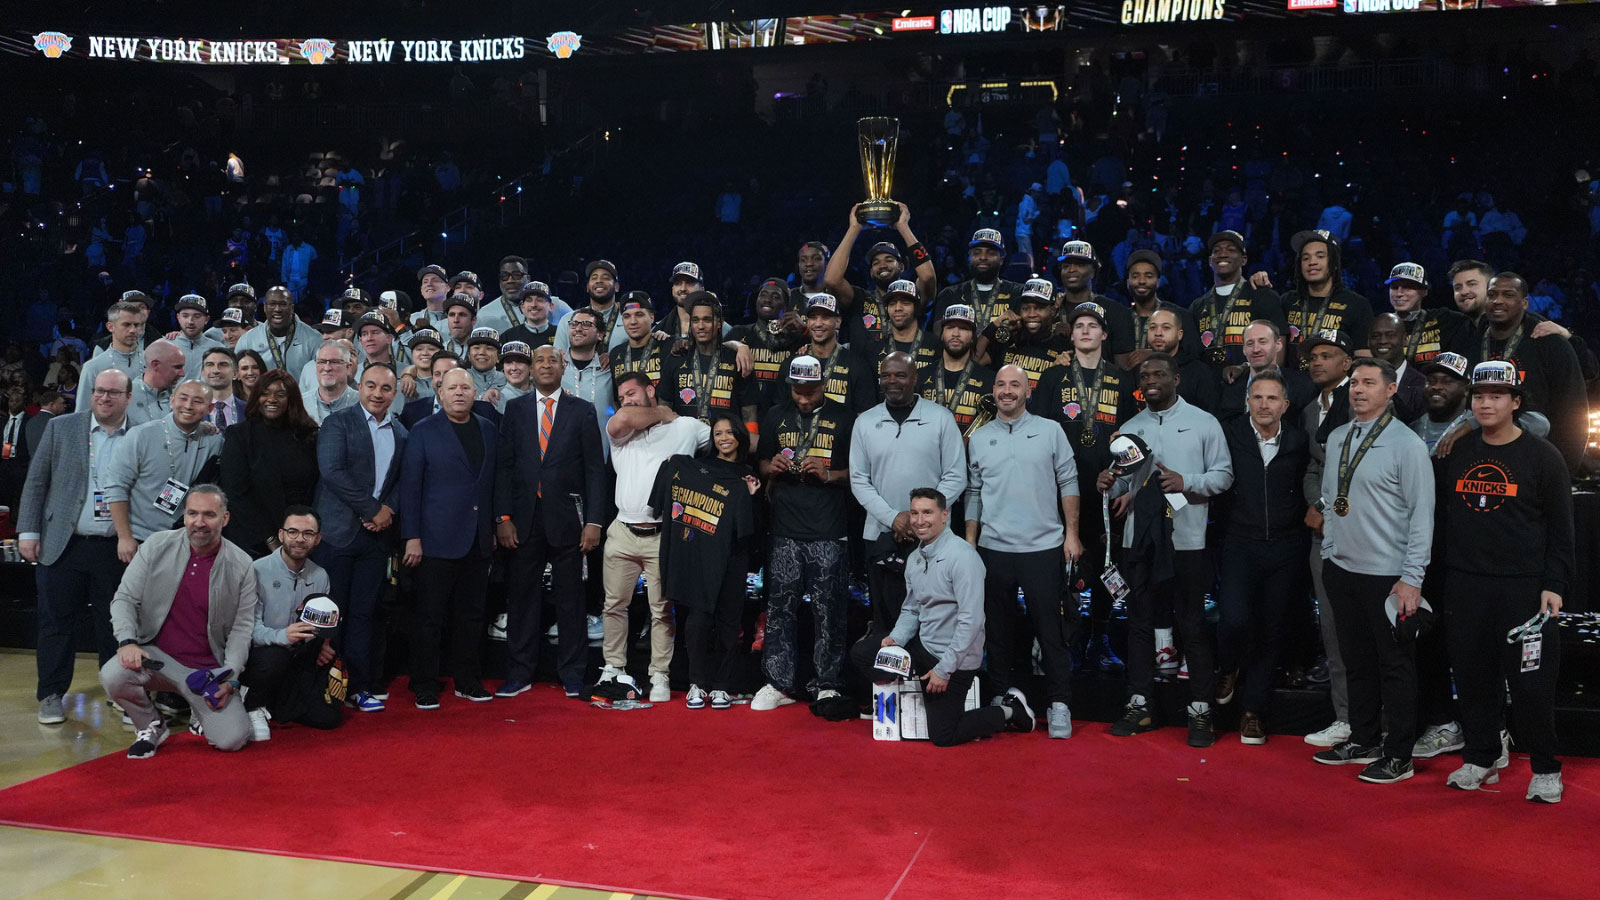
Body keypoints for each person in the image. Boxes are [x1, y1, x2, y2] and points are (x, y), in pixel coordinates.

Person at [1438, 362, 1572, 802]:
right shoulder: (1457, 450)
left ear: (1516, 403)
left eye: (1497, 396)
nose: (1486, 403)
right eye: (1479, 396)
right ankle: (1481, 758)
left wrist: (1554, 583)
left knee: (1532, 685)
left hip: (1524, 590)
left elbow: (1562, 529)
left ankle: (1546, 768)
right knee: (1474, 680)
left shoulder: (1543, 456)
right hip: (1465, 585)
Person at [1311, 358, 1434, 784]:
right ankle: (1363, 739)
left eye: (1368, 383)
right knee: (1356, 660)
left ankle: (1399, 754)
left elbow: (1422, 517)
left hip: (1389, 576)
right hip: (1342, 570)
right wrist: (1329, 554)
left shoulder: (1407, 444)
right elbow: (1330, 498)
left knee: (1395, 666)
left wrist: (1412, 578)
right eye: (1355, 382)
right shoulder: (1341, 436)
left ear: (1390, 390)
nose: (1358, 389)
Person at [1103, 354, 1232, 746]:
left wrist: (1185, 481)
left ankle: (1200, 709)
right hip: (1139, 541)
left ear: (1176, 378)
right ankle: (1140, 703)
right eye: (1145, 375)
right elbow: (1127, 485)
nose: (1152, 380)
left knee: (1192, 623)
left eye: (1159, 373)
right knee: (1140, 621)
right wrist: (1111, 483)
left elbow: (1223, 476)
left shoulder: (1203, 422)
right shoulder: (1129, 427)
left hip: (1187, 540)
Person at [966, 364, 1082, 739]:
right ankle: (1002, 700)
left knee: (1051, 632)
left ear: (1028, 391)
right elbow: (973, 493)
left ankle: (1060, 703)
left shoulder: (1051, 431)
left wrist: (1072, 535)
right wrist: (970, 541)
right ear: (993, 391)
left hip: (1044, 547)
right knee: (996, 632)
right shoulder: (980, 437)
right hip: (993, 549)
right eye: (1000, 384)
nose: (1007, 391)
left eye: (1015, 384)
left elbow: (1069, 481)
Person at [100, 485, 257, 758]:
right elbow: (124, 598)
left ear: (225, 518)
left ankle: (201, 713)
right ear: (184, 516)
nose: (199, 522)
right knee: (113, 674)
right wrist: (127, 641)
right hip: (155, 657)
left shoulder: (242, 564)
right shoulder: (156, 545)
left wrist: (230, 675)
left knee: (232, 740)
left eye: (209, 514)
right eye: (192, 513)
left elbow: (242, 628)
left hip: (205, 670)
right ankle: (151, 724)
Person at [19, 369, 133, 725]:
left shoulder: (143, 433)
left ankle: (120, 692)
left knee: (115, 624)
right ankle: (52, 694)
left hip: (115, 546)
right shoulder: (62, 427)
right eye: (99, 391)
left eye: (113, 393)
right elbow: (37, 481)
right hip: (62, 543)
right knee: (55, 622)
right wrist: (28, 531)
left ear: (128, 398)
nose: (104, 397)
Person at [877, 488, 1033, 746]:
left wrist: (943, 670)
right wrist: (895, 639)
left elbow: (971, 621)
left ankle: (1009, 711)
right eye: (914, 513)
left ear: (944, 516)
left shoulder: (963, 557)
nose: (919, 520)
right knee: (867, 653)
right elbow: (911, 610)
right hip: (926, 647)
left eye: (927, 512)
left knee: (943, 736)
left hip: (956, 659)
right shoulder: (915, 558)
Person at [494, 346, 607, 699]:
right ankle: (519, 672)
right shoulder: (514, 409)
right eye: (538, 361)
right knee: (522, 598)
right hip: (523, 521)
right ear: (530, 369)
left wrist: (594, 522)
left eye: (551, 361)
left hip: (569, 521)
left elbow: (594, 471)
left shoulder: (583, 410)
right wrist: (503, 518)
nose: (544, 366)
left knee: (571, 600)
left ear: (563, 368)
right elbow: (504, 468)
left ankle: (573, 674)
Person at [1031, 301, 1138, 672]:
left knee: (1107, 567)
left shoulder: (1123, 380)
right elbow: (1038, 434)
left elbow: (1134, 442)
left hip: (1107, 494)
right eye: (1080, 326)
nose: (1086, 331)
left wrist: (1125, 484)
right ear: (1071, 335)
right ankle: (1060, 641)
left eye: (1094, 325)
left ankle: (1099, 639)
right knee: (1063, 570)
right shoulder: (1051, 378)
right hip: (1061, 492)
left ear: (1105, 335)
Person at [597, 371, 711, 702]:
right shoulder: (621, 428)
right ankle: (613, 667)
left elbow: (724, 442)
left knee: (661, 610)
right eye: (621, 396)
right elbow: (625, 417)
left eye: (632, 393)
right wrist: (661, 412)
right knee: (614, 605)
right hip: (622, 531)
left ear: (651, 390)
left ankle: (659, 674)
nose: (626, 401)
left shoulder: (686, 428)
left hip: (665, 534)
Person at [753, 356, 855, 713]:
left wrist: (829, 474)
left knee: (830, 612)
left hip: (828, 529)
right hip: (783, 528)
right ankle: (778, 682)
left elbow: (859, 473)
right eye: (798, 392)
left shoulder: (844, 418)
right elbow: (762, 462)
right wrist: (773, 468)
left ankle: (827, 683)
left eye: (811, 392)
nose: (805, 399)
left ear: (824, 384)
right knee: (780, 608)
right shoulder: (775, 415)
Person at [1214, 370, 1310, 745]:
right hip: (1239, 541)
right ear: (1247, 402)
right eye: (1258, 398)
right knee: (1234, 618)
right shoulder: (1230, 435)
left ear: (1285, 405)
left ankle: (1252, 711)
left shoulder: (1301, 441)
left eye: (1272, 399)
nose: (1264, 405)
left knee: (1271, 630)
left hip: (1287, 547)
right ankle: (1227, 667)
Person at [400, 368, 498, 709]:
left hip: (478, 539)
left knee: (472, 616)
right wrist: (411, 536)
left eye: (466, 387)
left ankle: (468, 680)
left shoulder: (488, 429)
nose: (459, 393)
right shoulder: (423, 431)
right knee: (429, 617)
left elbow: (491, 484)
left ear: (475, 392)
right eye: (452, 387)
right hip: (434, 539)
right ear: (440, 393)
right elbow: (410, 488)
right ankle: (425, 683)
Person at [312, 363, 406, 712]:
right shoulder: (338, 422)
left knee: (365, 615)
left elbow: (401, 482)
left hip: (376, 539)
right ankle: (322, 688)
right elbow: (332, 471)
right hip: (337, 534)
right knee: (331, 615)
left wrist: (387, 512)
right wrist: (371, 509)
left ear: (394, 394)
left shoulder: (401, 432)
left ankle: (359, 686)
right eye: (371, 386)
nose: (377, 394)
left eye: (385, 388)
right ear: (359, 386)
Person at [850, 353, 967, 631]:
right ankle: (888, 675)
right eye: (886, 375)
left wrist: (920, 518)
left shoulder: (940, 418)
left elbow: (956, 475)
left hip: (932, 537)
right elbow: (858, 479)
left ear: (915, 378)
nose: (892, 381)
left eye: (900, 375)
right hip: (880, 533)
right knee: (886, 620)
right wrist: (894, 518)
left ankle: (927, 673)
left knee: (933, 618)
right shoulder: (865, 422)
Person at [651, 416, 759, 709]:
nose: (724, 438)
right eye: (718, 433)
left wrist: (751, 495)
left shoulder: (747, 475)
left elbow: (751, 529)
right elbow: (659, 503)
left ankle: (722, 686)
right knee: (697, 622)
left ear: (739, 436)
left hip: (733, 558)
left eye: (729, 432)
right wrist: (672, 463)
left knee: (729, 622)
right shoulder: (692, 466)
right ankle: (696, 683)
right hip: (698, 557)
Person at [1456, 273, 1587, 474]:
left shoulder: (1550, 344)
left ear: (1524, 303)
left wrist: (1565, 467)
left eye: (1508, 295)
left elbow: (1572, 409)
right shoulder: (1470, 344)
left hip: (1533, 463)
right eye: (1492, 295)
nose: (1498, 301)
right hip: (1478, 458)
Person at [1300, 329, 1355, 747]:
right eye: (1313, 356)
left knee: (1369, 630)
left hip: (1364, 531)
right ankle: (1345, 716)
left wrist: (1329, 505)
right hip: (1324, 535)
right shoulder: (1306, 411)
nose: (1318, 362)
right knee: (1333, 627)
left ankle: (1385, 719)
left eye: (1328, 355)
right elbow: (1314, 468)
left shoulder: (1361, 403)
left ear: (1348, 363)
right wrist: (1315, 504)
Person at [242, 507, 341, 736]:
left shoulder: (320, 575)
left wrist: (324, 645)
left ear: (317, 539)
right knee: (274, 657)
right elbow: (247, 630)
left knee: (328, 719)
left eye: (308, 533)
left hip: (300, 655)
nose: (299, 539)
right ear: (281, 534)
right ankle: (252, 705)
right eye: (293, 532)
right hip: (260, 655)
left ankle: (277, 704)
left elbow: (321, 626)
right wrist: (283, 636)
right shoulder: (257, 570)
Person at [102, 381, 224, 563]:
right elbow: (116, 487)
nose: (188, 406)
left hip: (185, 543)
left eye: (198, 401)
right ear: (172, 400)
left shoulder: (215, 441)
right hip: (138, 541)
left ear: (210, 408)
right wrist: (124, 537)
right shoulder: (141, 435)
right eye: (183, 398)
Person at [220, 369, 320, 557]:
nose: (271, 399)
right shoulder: (240, 435)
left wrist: (299, 535)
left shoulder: (309, 435)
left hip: (299, 540)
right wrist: (270, 539)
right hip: (252, 540)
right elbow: (235, 493)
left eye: (280, 394)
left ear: (292, 399)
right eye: (265, 393)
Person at [825, 202, 937, 350]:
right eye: (876, 262)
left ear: (902, 267)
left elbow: (928, 277)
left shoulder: (913, 297)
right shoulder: (860, 298)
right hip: (862, 372)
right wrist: (854, 228)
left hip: (907, 370)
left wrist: (903, 227)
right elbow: (831, 280)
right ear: (871, 272)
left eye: (889, 260)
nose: (882, 265)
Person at [659, 293, 758, 436]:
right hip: (685, 445)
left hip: (726, 446)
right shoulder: (676, 357)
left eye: (707, 320)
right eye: (695, 320)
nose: (700, 326)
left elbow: (749, 411)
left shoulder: (736, 360)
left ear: (719, 323)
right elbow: (664, 407)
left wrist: (750, 447)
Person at [930, 229, 1025, 361]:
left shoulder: (1018, 293)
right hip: (961, 368)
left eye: (991, 253)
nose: (983, 257)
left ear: (1002, 258)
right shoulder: (950, 294)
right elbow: (939, 338)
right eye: (977, 253)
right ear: (969, 257)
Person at [1280, 230, 1373, 363]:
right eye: (1306, 258)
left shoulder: (1357, 305)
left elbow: (1363, 357)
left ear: (1334, 264)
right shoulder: (1287, 301)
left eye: (1320, 256)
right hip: (1290, 382)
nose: (1312, 262)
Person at [781, 294, 878, 415]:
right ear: (807, 321)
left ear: (838, 321)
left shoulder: (857, 365)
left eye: (825, 317)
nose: (818, 323)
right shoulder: (792, 363)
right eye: (813, 317)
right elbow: (781, 413)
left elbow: (864, 417)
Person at [1051, 241, 1137, 371]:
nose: (1071, 269)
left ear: (1093, 271)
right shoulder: (1050, 309)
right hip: (1053, 385)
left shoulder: (1116, 313)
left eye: (1080, 265)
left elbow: (1123, 370)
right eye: (1066, 265)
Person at [729, 278, 806, 415]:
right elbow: (717, 348)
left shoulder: (795, 339)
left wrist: (805, 330)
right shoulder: (740, 332)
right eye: (763, 295)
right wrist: (738, 346)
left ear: (786, 305)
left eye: (776, 297)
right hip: (744, 415)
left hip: (783, 415)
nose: (767, 300)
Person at [1215, 320, 1315, 425]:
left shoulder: (1304, 385)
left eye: (1263, 342)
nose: (1256, 349)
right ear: (1244, 349)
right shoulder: (1229, 387)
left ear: (1278, 345)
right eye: (1250, 343)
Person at [916, 304, 995, 433]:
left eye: (963, 329)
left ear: (972, 338)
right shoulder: (920, 376)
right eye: (950, 327)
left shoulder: (989, 380)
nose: (956, 334)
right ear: (942, 334)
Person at [986, 279, 1071, 389]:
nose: (1031, 314)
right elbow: (975, 361)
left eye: (1039, 308)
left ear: (1052, 311)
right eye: (1025, 308)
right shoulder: (1008, 340)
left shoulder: (1064, 348)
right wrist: (994, 325)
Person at [1386, 263, 1471, 366]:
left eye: (1408, 287)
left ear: (1424, 291)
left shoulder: (1443, 319)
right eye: (1394, 287)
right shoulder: (1380, 326)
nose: (1399, 293)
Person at [75, 301, 146, 412]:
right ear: (110, 327)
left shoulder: (152, 362)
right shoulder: (93, 367)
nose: (133, 330)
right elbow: (82, 412)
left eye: (137, 325)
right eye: (126, 324)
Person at [1145, 309, 1219, 413]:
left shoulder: (1199, 372)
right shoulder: (1140, 370)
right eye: (1153, 327)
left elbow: (1209, 417)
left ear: (1180, 334)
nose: (1158, 333)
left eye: (1166, 328)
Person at [236, 286, 319, 378]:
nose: (277, 309)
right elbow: (237, 376)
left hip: (302, 392)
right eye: (272, 304)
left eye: (283, 304)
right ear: (264, 307)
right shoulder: (247, 340)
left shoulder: (314, 339)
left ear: (291, 308)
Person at [559, 307, 615, 441]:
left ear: (600, 335)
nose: (578, 329)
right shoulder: (554, 368)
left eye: (586, 324)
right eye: (574, 324)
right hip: (562, 455)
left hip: (602, 454)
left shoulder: (609, 370)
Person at [555, 259, 627, 355]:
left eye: (605, 278)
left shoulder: (628, 319)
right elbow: (558, 358)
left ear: (616, 287)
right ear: (587, 287)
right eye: (594, 278)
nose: (599, 281)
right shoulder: (567, 320)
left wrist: (615, 357)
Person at [1367, 313, 1426, 424]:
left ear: (1405, 339)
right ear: (1368, 341)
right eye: (1376, 336)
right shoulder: (1357, 384)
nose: (1382, 341)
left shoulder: (1422, 386)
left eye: (1390, 335)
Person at [868, 280, 938, 371]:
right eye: (892, 304)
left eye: (905, 303)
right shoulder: (873, 349)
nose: (898, 308)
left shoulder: (936, 346)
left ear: (916, 308)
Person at [1411, 352, 1471, 451]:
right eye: (1431, 380)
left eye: (1447, 381)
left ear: (1466, 390)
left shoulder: (1477, 428)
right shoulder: (1412, 429)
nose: (1436, 387)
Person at [124, 339, 187, 428]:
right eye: (177, 367)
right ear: (156, 365)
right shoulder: (125, 396)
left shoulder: (181, 396)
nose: (182, 374)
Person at [302, 341, 360, 424]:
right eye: (322, 362)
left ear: (348, 367)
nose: (327, 368)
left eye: (334, 362)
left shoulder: (362, 403)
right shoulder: (301, 404)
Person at [171, 294, 225, 376]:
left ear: (206, 319)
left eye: (197, 316)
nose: (190, 321)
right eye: (185, 316)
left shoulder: (219, 349)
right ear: (178, 317)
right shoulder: (164, 346)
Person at [498, 281, 559, 349]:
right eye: (529, 300)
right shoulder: (508, 337)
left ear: (551, 306)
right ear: (522, 306)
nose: (533, 305)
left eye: (540, 300)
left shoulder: (561, 334)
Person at [199, 348, 246, 430]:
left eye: (223, 364)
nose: (216, 370)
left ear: (235, 373)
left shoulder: (249, 410)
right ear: (202, 372)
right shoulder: (191, 410)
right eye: (210, 364)